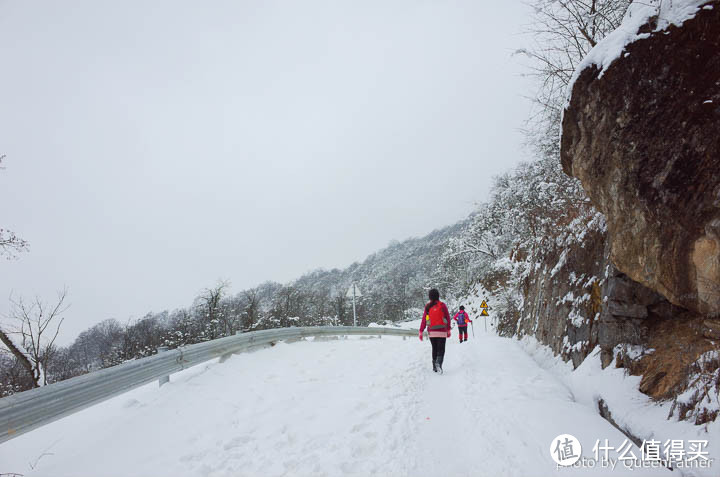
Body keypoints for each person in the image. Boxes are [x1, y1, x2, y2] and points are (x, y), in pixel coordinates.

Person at [418, 288, 451, 373]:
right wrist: (448, 329)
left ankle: (434, 366)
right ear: (438, 296)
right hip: (442, 331)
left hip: (432, 332)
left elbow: (424, 320)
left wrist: (421, 331)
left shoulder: (428, 306)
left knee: (434, 348)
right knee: (441, 349)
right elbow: (447, 317)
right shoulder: (442, 305)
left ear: (430, 297)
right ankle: (438, 364)